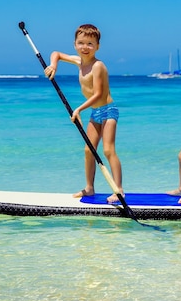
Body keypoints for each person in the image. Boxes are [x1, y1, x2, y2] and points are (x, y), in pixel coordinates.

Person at [44, 24, 124, 203]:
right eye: (81, 43)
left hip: (108, 111)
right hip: (95, 112)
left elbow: (98, 95)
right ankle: (89, 188)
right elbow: (56, 53)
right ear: (74, 45)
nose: (85, 47)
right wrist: (53, 66)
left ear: (97, 46)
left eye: (90, 43)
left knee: (108, 150)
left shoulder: (98, 66)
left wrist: (78, 109)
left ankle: (119, 189)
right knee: (89, 150)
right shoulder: (79, 61)